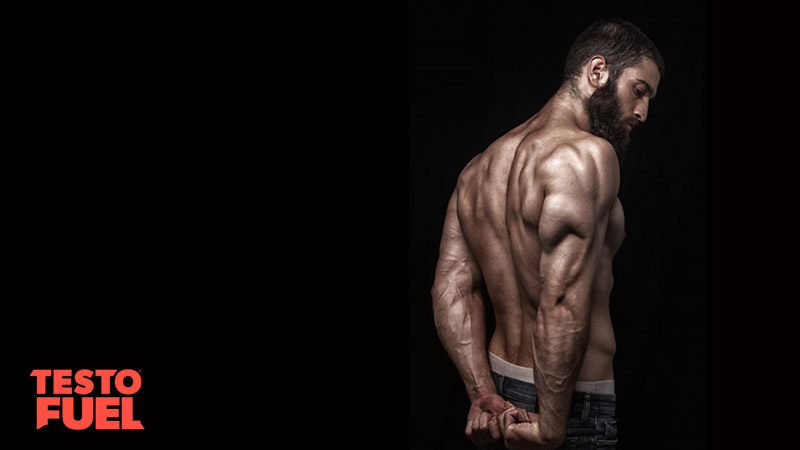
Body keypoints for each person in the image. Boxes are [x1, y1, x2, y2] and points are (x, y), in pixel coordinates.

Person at [431, 19, 664, 450]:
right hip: (565, 404)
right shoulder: (587, 156)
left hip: (499, 397)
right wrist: (553, 425)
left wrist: (482, 394)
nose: (642, 112)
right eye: (640, 90)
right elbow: (560, 300)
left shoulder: (479, 167)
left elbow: (452, 286)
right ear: (598, 71)